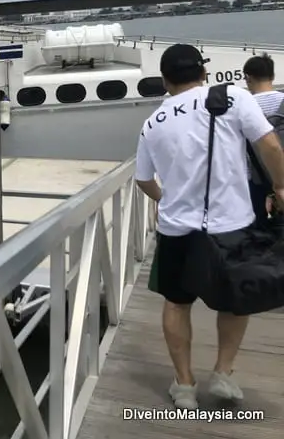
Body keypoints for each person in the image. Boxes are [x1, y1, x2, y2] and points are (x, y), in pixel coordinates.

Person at [134, 43, 284, 410]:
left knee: (176, 303)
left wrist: (163, 198)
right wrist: (280, 188)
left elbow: (143, 180)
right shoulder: (233, 97)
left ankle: (185, 386)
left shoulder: (152, 123)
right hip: (232, 223)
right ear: (203, 73)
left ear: (165, 81)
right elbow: (269, 146)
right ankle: (223, 372)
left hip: (176, 228)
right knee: (236, 298)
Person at [242, 53, 284, 224]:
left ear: (248, 78)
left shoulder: (243, 107)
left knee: (259, 229)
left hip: (257, 182)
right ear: (272, 76)